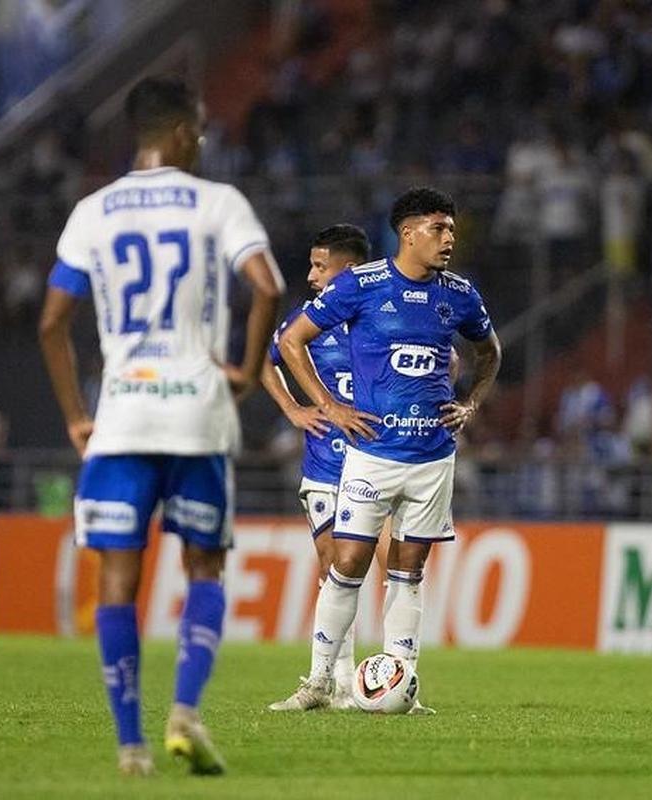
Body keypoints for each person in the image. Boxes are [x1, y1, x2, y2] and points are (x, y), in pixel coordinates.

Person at [38, 76, 284, 776]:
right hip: (197, 413)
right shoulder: (219, 204)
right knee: (204, 565)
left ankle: (130, 746)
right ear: (178, 131)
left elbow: (52, 322)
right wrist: (240, 370)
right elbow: (265, 286)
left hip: (121, 416)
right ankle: (185, 710)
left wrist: (76, 416)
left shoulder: (92, 210)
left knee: (119, 576)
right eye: (199, 130)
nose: (201, 141)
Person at [275, 186, 501, 714]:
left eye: (452, 229)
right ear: (408, 233)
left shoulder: (460, 295)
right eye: (439, 228)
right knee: (347, 562)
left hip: (433, 457)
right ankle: (318, 682)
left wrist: (471, 404)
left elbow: (489, 352)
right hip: (373, 453)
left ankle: (403, 683)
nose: (449, 238)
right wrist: (328, 406)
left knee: (408, 569)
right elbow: (291, 342)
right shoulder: (362, 285)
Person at [261, 224, 371, 711]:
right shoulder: (309, 320)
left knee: (389, 566)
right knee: (331, 565)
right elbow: (266, 360)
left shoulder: (380, 314)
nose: (310, 276)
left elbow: (446, 360)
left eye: (320, 266)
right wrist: (294, 409)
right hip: (326, 463)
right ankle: (335, 681)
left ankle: (394, 675)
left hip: (377, 462)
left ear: (348, 270)